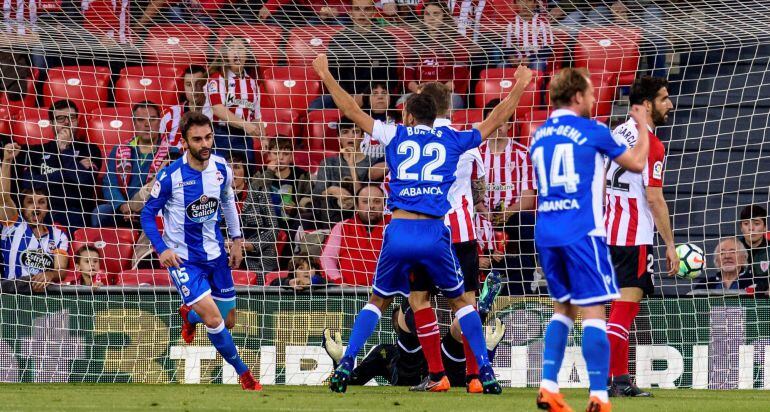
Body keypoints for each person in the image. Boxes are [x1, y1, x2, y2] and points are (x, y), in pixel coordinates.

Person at [312, 52, 534, 395]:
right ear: (441, 115)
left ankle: (346, 363)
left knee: (378, 301)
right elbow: (494, 119)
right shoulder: (453, 140)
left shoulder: (396, 135)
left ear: (409, 114)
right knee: (463, 303)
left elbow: (352, 112)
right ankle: (484, 371)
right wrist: (519, 86)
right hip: (435, 233)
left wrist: (326, 74)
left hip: (399, 231)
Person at [530, 67, 651, 412]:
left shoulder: (538, 135)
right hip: (582, 230)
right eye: (591, 92)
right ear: (577, 97)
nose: (596, 97)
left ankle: (549, 386)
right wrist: (641, 123)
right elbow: (637, 162)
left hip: (547, 231)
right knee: (595, 311)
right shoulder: (593, 130)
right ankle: (600, 394)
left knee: (563, 309)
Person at [139, 111, 261, 390]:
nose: (205, 143)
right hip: (184, 260)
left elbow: (228, 203)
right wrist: (161, 248)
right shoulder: (170, 177)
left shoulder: (221, 168)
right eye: (197, 139)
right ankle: (244, 374)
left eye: (208, 137)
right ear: (184, 142)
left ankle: (189, 314)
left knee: (229, 320)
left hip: (216, 254)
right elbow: (147, 215)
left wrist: (238, 239)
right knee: (215, 320)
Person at [408, 81, 494, 393]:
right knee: (467, 303)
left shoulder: (413, 141)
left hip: (427, 231)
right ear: (451, 109)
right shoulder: (466, 141)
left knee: (419, 299)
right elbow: (480, 190)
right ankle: (475, 377)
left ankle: (437, 376)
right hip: (463, 232)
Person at [603, 76, 677, 398]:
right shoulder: (652, 144)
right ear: (646, 105)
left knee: (617, 309)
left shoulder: (617, 131)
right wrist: (671, 244)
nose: (670, 105)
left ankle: (617, 377)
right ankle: (613, 378)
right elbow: (654, 197)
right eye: (663, 99)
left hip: (608, 231)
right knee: (624, 310)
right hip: (633, 235)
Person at [321, 302, 506, 387]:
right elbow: (354, 380)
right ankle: (475, 312)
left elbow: (352, 382)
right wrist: (487, 351)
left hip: (435, 372)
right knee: (455, 338)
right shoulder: (384, 352)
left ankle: (408, 299)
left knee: (452, 341)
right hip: (435, 373)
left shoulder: (389, 350)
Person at [476, 99, 537, 296]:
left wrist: (506, 213)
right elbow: (470, 194)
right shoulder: (475, 154)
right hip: (480, 217)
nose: (497, 126)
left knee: (527, 221)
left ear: (509, 125)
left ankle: (522, 290)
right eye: (493, 120)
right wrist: (483, 211)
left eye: (502, 121)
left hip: (512, 219)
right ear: (486, 121)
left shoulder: (522, 154)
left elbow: (528, 199)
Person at [18, 99, 102, 229]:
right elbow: (28, 183)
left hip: (75, 212)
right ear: (52, 123)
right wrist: (71, 170)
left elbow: (84, 181)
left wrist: (65, 150)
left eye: (72, 117)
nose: (67, 122)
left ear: (77, 121)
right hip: (42, 212)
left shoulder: (91, 150)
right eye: (61, 118)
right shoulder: (36, 151)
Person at [0, 143, 69, 291]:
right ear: (23, 207)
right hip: (12, 295)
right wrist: (7, 161)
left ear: (47, 208)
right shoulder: (13, 225)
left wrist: (50, 275)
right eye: (30, 202)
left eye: (41, 202)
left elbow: (61, 269)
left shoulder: (59, 236)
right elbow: (4, 198)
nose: (36, 207)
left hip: (44, 296)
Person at [308, 0, 398, 111]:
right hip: (342, 95)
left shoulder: (386, 39)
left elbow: (390, 76)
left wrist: (365, 96)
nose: (362, 13)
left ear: (374, 12)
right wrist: (346, 97)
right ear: (350, 12)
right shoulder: (338, 40)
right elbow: (332, 75)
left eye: (367, 9)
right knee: (315, 107)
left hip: (375, 96)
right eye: (357, 9)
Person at [94, 102, 171, 228]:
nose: (147, 125)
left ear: (159, 122)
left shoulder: (170, 153)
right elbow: (109, 184)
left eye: (152, 119)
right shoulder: (119, 149)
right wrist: (123, 206)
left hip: (154, 210)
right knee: (100, 213)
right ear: (134, 123)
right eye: (141, 120)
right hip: (123, 210)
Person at [398, 0, 469, 110]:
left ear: (444, 16)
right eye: (427, 14)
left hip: (446, 95)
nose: (431, 18)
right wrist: (418, 90)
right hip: (419, 94)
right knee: (401, 102)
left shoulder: (457, 42)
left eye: (436, 13)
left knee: (447, 104)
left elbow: (460, 75)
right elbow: (407, 73)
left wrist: (438, 92)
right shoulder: (415, 43)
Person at [206, 37, 264, 166]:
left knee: (245, 174)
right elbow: (217, 108)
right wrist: (245, 124)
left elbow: (256, 115)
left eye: (241, 49)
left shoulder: (253, 82)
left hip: (244, 137)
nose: (236, 52)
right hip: (221, 135)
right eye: (232, 48)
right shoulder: (217, 78)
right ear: (225, 54)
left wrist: (263, 138)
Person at [312, 117, 377, 229]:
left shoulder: (372, 164)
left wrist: (352, 166)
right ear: (338, 137)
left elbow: (366, 200)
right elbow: (317, 196)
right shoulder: (329, 163)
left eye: (355, 132)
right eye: (345, 132)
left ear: (362, 137)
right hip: (330, 218)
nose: (351, 136)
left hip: (360, 220)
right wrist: (333, 190)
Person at [320, 185, 385, 286]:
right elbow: (327, 258)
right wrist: (338, 280)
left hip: (385, 295)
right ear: (357, 206)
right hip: (349, 294)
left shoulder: (393, 227)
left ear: (384, 205)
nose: (371, 206)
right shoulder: (342, 227)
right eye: (365, 201)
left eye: (377, 201)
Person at [159, 65, 211, 151]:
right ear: (183, 87)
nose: (193, 89)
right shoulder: (169, 114)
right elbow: (157, 147)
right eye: (188, 84)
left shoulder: (216, 114)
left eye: (198, 84)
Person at [738, 204, 770, 292]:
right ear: (741, 227)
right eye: (746, 224)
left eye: (756, 223)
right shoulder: (733, 249)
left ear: (765, 227)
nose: (751, 228)